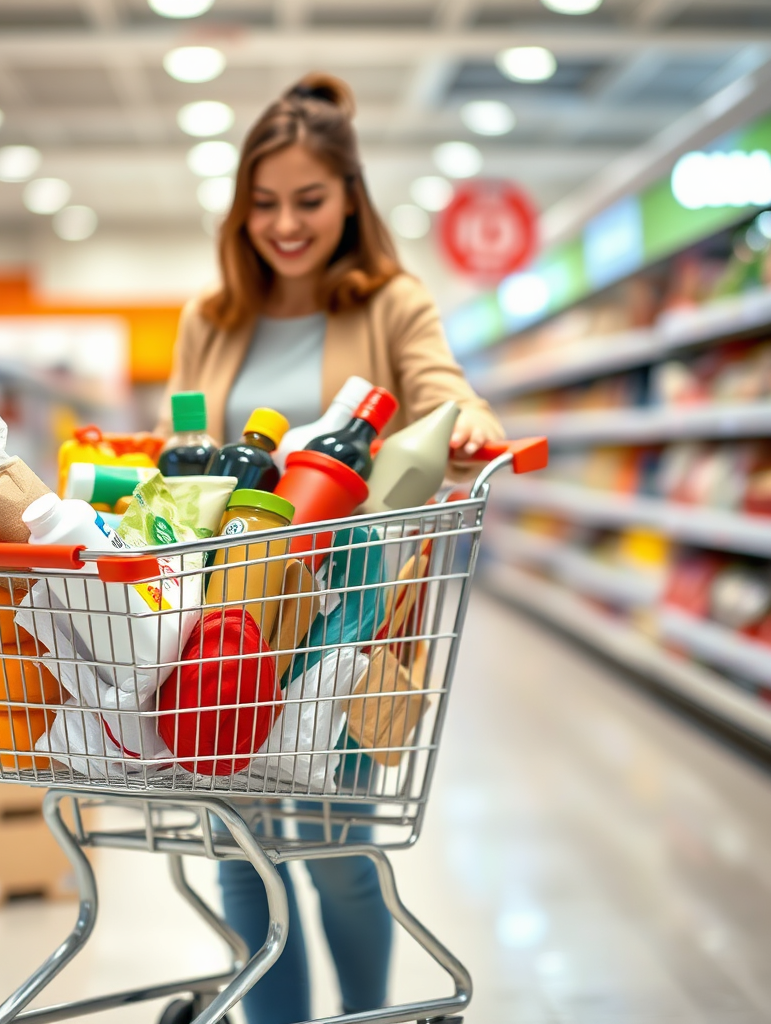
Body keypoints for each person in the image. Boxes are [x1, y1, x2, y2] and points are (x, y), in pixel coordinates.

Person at [156, 73, 503, 1024]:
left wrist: (465, 421)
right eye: (263, 203)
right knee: (239, 858)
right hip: (227, 619)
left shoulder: (391, 300)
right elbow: (180, 453)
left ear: (350, 197)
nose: (286, 224)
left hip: (351, 622)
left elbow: (440, 392)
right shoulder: (210, 318)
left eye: (308, 200)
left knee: (341, 855)